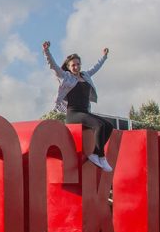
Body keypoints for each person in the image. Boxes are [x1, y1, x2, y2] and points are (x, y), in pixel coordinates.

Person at [42, 41, 114, 172]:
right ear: (69, 67)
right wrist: (46, 51)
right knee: (99, 125)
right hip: (73, 114)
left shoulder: (85, 75)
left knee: (108, 126)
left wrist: (104, 56)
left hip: (85, 112)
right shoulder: (66, 77)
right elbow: (53, 66)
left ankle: (96, 153)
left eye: (78, 64)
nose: (76, 67)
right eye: (73, 65)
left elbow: (96, 67)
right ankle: (100, 156)